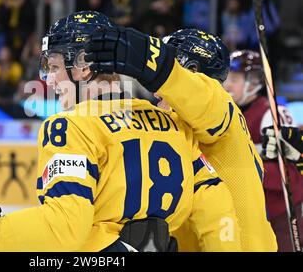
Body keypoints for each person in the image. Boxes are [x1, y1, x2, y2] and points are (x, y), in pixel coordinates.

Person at [0, 11, 240, 252]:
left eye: (55, 67)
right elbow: (217, 209)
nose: (50, 80)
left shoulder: (69, 126)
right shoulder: (171, 123)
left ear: (83, 65)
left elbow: (65, 228)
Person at [83, 25, 277, 251]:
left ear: (193, 71)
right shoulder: (177, 125)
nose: (156, 92)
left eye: (172, 68)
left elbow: (199, 96)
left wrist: (150, 59)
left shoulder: (221, 107)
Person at [223, 50, 303, 251]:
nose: (227, 85)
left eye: (234, 79)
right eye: (226, 79)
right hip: (248, 211)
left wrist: (242, 171)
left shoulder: (273, 114)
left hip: (281, 212)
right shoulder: (227, 112)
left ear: (253, 82)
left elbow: (291, 173)